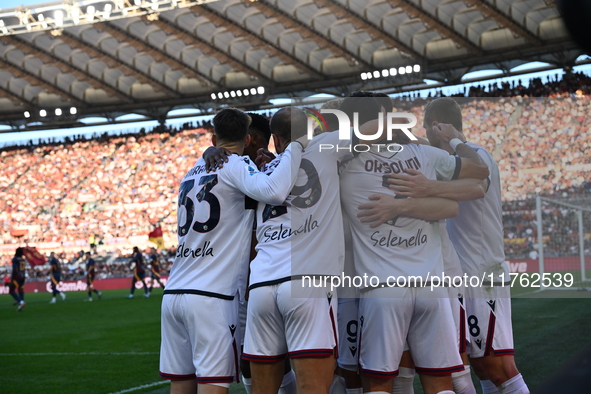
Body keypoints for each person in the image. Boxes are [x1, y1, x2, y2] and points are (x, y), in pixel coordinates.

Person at [340, 99, 489, 394]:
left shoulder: (343, 166)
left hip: (382, 288)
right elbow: (478, 171)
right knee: (440, 381)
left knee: (379, 383)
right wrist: (451, 142)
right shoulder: (424, 154)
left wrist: (396, 207)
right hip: (432, 286)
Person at [388, 97, 530, 394]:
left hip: (482, 273)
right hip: (461, 276)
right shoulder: (450, 162)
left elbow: (478, 184)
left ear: (437, 126)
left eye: (428, 129)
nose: (425, 136)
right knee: (478, 368)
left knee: (497, 367)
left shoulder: (477, 156)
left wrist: (452, 144)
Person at [159, 107, 305, 394]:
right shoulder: (238, 166)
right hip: (212, 295)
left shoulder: (189, 173)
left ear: (214, 139)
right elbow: (274, 191)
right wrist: (295, 147)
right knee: (215, 384)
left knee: (182, 385)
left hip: (174, 292)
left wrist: (206, 153)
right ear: (249, 139)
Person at [9, 247, 27, 311]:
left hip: (17, 277)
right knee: (21, 291)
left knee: (11, 291)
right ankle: (20, 305)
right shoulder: (23, 259)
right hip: (23, 276)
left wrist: (13, 276)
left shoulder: (15, 259)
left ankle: (21, 302)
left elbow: (15, 269)